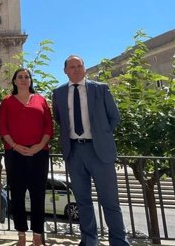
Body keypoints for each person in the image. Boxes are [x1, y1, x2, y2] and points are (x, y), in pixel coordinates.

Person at [51, 55, 129, 246]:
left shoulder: (100, 88)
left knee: (110, 201)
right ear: (65, 71)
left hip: (99, 151)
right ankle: (89, 240)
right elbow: (59, 119)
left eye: (79, 66)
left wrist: (101, 135)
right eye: (72, 67)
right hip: (74, 152)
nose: (76, 69)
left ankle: (118, 242)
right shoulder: (59, 93)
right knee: (83, 201)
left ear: (84, 69)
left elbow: (114, 117)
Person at [0, 68, 53, 246]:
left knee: (38, 195)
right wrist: (15, 146)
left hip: (39, 154)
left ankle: (37, 234)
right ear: (14, 81)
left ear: (30, 81)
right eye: (20, 77)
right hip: (15, 154)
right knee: (17, 194)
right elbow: (3, 128)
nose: (23, 80)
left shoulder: (41, 100)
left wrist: (38, 146)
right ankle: (21, 234)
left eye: (26, 77)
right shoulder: (6, 101)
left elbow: (48, 127)